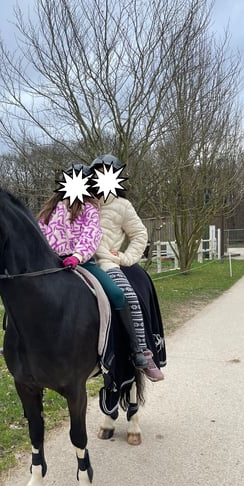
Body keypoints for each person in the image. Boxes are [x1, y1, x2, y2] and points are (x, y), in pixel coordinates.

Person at [36, 164, 150, 371]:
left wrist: (77, 256)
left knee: (117, 293)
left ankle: (136, 349)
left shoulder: (90, 209)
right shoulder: (50, 209)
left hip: (83, 261)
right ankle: (22, 342)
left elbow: (91, 235)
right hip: (53, 263)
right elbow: (41, 233)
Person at [90, 153, 165, 381]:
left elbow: (140, 234)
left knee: (128, 296)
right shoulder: (80, 200)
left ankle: (141, 352)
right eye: (97, 173)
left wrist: (124, 257)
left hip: (105, 263)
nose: (100, 177)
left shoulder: (122, 206)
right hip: (74, 259)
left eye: (106, 173)